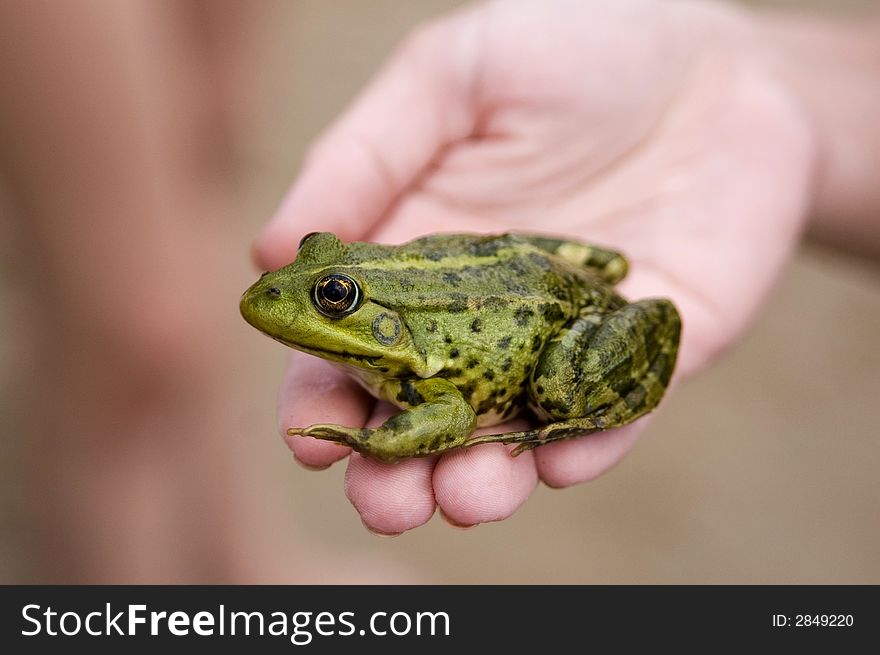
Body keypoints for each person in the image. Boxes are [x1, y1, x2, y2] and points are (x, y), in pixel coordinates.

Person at [252, 0, 880, 535]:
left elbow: (449, 414)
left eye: (332, 293)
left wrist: (377, 441)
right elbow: (456, 411)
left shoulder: (420, 375)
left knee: (557, 391)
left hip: (558, 328)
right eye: (327, 279)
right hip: (532, 271)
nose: (289, 294)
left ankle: (580, 412)